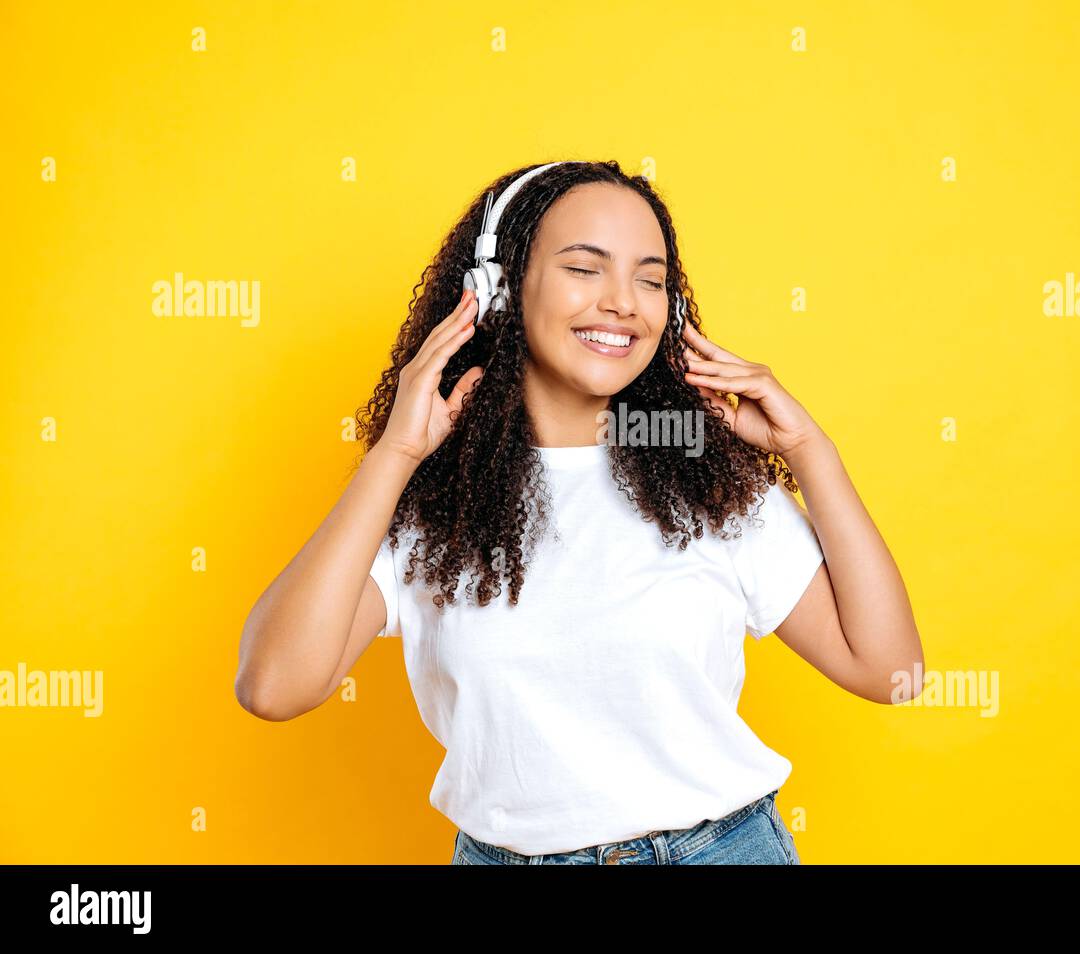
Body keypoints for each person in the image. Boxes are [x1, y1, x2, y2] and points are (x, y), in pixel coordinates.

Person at [236, 159, 924, 865]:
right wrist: (394, 456)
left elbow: (888, 669)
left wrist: (811, 451)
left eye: (650, 279)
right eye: (585, 268)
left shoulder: (706, 484)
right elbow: (273, 685)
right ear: (498, 290)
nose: (624, 302)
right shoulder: (435, 505)